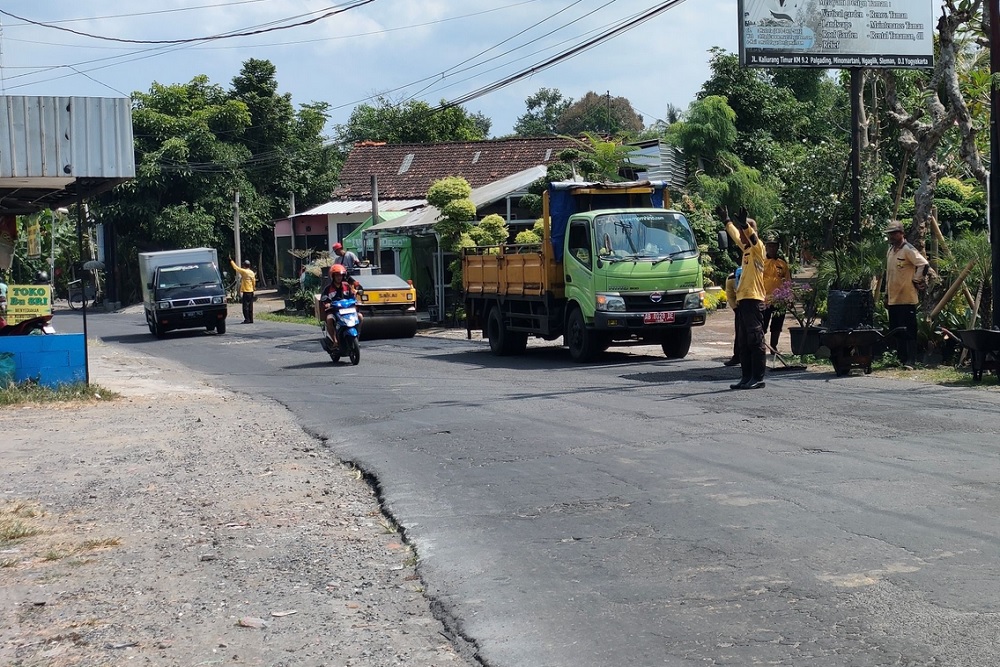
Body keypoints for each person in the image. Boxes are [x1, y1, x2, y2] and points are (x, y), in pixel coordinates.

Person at [717, 205, 767, 390]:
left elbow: (752, 238)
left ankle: (757, 377)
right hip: (743, 300)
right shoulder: (746, 250)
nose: (741, 235)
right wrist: (726, 221)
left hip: (754, 299)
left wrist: (745, 224)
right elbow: (736, 237)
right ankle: (746, 377)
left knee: (755, 339)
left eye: (744, 231)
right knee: (744, 342)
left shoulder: (758, 249)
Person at [884, 220, 929, 369]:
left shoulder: (908, 249)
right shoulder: (890, 251)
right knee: (896, 331)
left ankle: (911, 360)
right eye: (890, 234)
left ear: (902, 234)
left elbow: (923, 264)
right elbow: (888, 275)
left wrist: (917, 279)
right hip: (893, 299)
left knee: (909, 331)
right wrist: (886, 295)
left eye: (894, 233)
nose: (892, 237)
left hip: (907, 298)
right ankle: (901, 359)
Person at [320, 264, 361, 348]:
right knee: (329, 319)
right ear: (333, 276)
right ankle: (335, 340)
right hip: (334, 310)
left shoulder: (347, 286)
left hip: (348, 309)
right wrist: (327, 303)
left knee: (360, 316)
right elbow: (323, 299)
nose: (339, 277)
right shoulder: (328, 288)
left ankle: (357, 337)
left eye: (341, 275)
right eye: (337, 275)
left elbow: (353, 296)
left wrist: (356, 300)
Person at [762, 237, 790, 353]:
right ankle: (761, 347)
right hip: (764, 300)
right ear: (766, 247)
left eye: (774, 246)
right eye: (769, 246)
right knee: (762, 325)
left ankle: (774, 347)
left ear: (778, 247)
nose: (772, 248)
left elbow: (787, 281)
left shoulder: (782, 264)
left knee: (777, 325)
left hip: (779, 300)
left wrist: (789, 298)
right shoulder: (761, 262)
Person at [229, 257, 257, 324]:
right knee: (250, 306)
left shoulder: (244, 271)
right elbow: (254, 282)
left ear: (244, 266)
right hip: (251, 291)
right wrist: (254, 288)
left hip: (246, 291)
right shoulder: (252, 272)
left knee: (245, 306)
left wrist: (231, 261)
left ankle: (246, 319)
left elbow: (236, 268)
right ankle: (251, 319)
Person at [722, 270, 740, 366]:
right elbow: (730, 295)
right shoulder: (731, 278)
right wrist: (736, 309)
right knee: (739, 332)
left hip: (755, 304)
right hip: (740, 306)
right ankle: (737, 356)